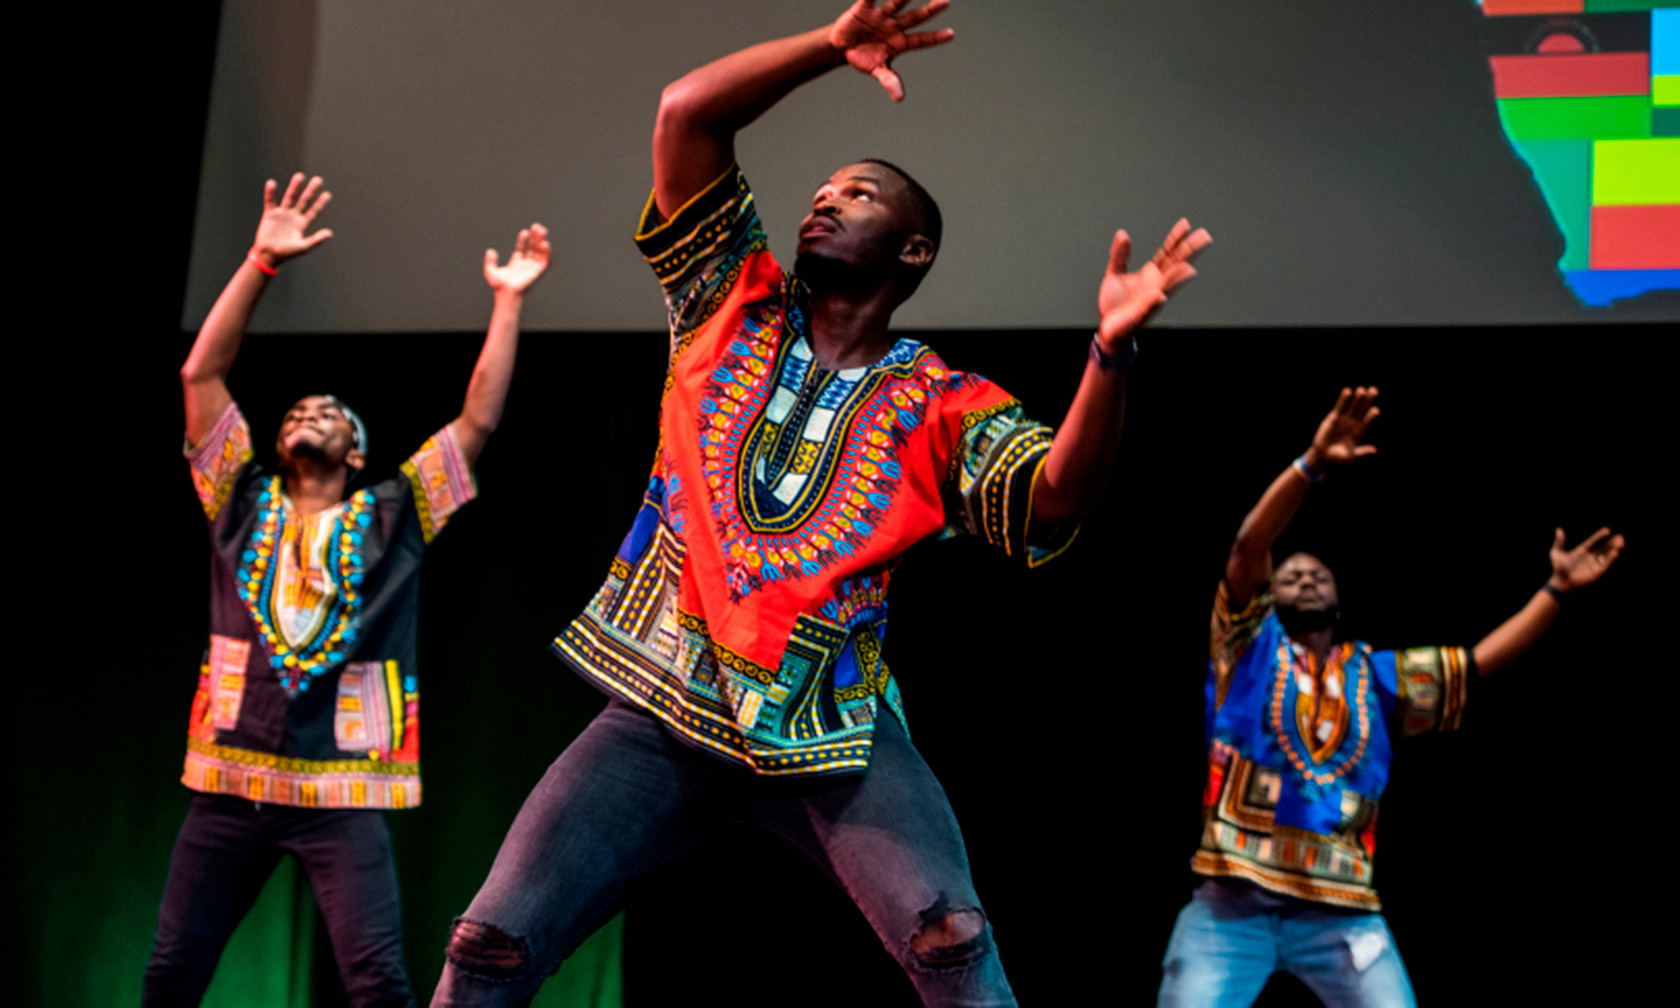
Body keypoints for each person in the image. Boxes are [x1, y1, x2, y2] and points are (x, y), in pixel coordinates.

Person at [432, 3, 1210, 1005]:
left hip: (836, 722)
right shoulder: (729, 302)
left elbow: (1052, 497)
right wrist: (825, 49)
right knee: (486, 946)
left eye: (860, 192)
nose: (826, 199)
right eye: (823, 187)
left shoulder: (937, 400)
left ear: (914, 250)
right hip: (669, 704)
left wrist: (1110, 354)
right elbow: (684, 115)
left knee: (954, 944)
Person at [145, 173, 550, 1007]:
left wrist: (508, 302)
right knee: (172, 974)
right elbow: (200, 376)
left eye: (334, 411)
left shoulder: (393, 517)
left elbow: (476, 422)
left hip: (342, 786)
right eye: (300, 408)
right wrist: (260, 260)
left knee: (376, 982)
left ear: (358, 456)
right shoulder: (239, 501)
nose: (313, 412)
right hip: (229, 780)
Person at [1157, 386, 1625, 1008]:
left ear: (1337, 599)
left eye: (1316, 573)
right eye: (1289, 572)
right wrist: (1312, 465)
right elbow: (1248, 546)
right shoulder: (1246, 647)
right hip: (1229, 905)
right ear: (1272, 592)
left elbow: (1476, 665)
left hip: (1344, 913)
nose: (1302, 576)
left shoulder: (1376, 677)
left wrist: (1556, 591)